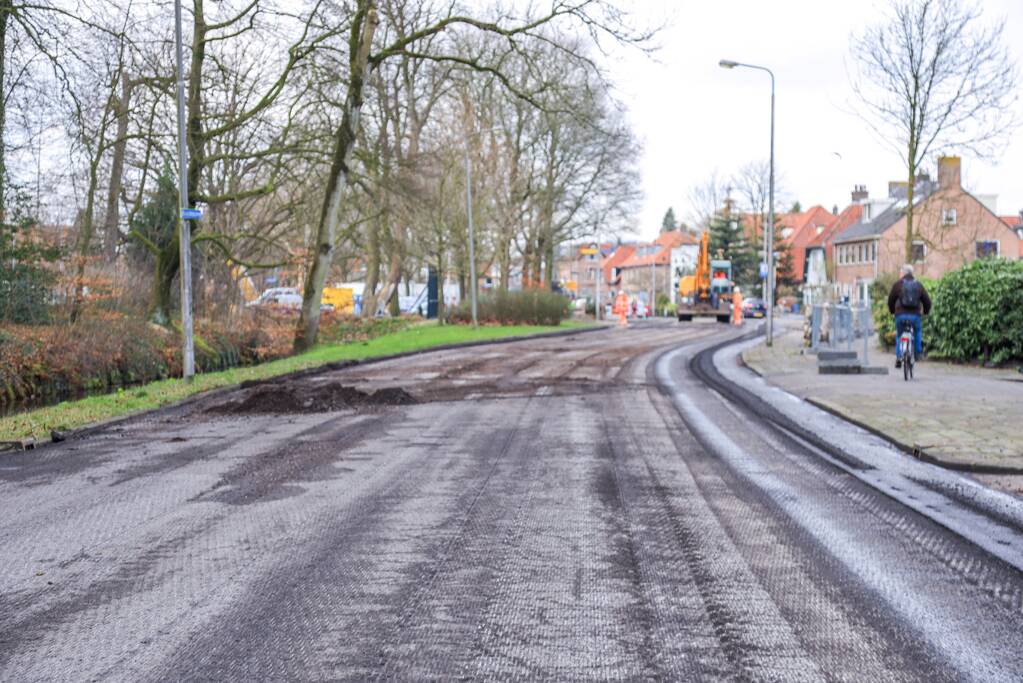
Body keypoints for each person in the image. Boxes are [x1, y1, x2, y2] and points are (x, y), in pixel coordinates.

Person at [887, 264, 931, 368]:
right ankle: (918, 353)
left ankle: (898, 357)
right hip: (915, 315)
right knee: (917, 331)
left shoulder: (898, 285)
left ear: (903, 273)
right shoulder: (918, 285)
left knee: (899, 334)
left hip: (900, 315)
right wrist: (926, 312)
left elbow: (890, 300)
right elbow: (927, 301)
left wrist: (892, 311)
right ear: (912, 273)